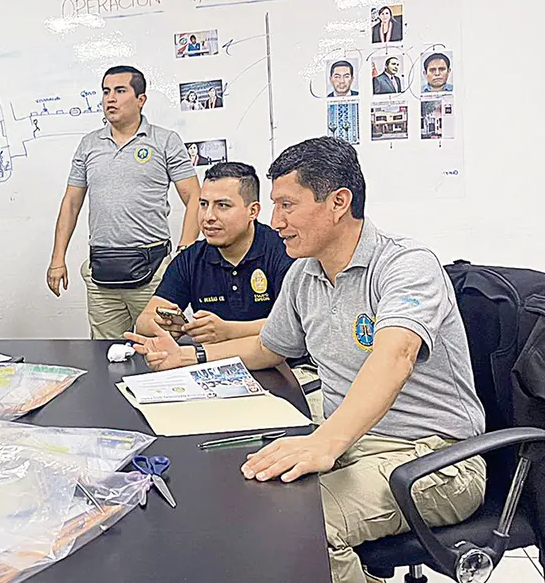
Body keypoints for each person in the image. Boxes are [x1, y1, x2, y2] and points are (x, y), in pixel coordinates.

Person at [126, 137, 487, 583]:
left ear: (338, 203)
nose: (275, 221)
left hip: (435, 459)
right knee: (243, 496)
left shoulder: (406, 265)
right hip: (354, 442)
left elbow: (396, 355)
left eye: (287, 205)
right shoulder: (306, 272)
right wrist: (190, 356)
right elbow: (268, 348)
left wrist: (325, 442)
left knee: (302, 528)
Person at [48, 65, 201, 339]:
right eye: (106, 91)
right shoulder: (89, 144)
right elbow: (71, 203)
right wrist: (57, 258)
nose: (110, 98)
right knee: (105, 354)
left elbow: (194, 197)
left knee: (158, 349)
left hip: (153, 272)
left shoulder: (165, 141)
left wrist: (184, 252)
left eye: (120, 91)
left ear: (141, 99)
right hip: (102, 274)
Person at [135, 162, 294, 344]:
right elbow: (143, 322)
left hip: (276, 358)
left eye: (223, 205)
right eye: (203, 204)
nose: (208, 216)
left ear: (253, 211)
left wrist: (228, 331)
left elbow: (293, 325)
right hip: (210, 358)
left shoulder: (284, 251)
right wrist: (163, 325)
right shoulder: (190, 259)